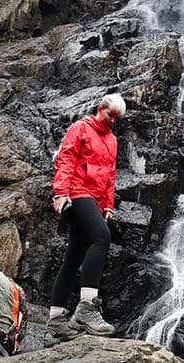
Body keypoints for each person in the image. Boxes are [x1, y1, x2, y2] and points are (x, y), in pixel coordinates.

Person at [45, 93, 125, 345]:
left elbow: (110, 175)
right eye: (110, 115)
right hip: (75, 193)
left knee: (73, 258)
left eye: (117, 118)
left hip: (94, 199)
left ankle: (55, 323)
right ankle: (87, 307)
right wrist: (60, 193)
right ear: (100, 109)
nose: (112, 121)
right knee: (102, 236)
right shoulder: (81, 127)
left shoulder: (112, 140)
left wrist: (108, 205)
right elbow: (66, 158)